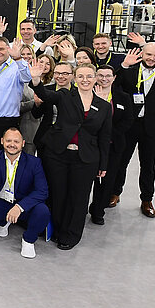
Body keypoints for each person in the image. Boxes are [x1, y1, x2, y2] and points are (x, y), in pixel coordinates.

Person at [29, 62, 112, 250]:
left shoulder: (104, 106)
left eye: (89, 76)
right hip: (58, 154)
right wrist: (36, 79)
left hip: (86, 159)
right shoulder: (65, 95)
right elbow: (45, 95)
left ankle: (71, 235)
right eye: (80, 76)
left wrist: (103, 165)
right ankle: (56, 230)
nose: (85, 80)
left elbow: (104, 137)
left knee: (79, 198)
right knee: (58, 194)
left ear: (95, 79)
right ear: (74, 78)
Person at [110, 43, 155, 218]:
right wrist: (124, 66)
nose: (151, 58)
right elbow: (113, 87)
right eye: (148, 54)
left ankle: (147, 200)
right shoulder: (129, 72)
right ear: (142, 54)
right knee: (121, 161)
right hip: (128, 125)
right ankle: (115, 193)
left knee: (148, 164)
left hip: (153, 128)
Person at [0, 129, 51, 259]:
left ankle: (28, 240)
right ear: (2, 141)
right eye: (8, 140)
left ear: (23, 143)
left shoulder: (34, 162)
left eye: (16, 141)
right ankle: (6, 220)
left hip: (22, 203)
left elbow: (42, 191)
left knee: (42, 211)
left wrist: (19, 207)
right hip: (0, 201)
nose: (12, 144)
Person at [88, 64, 134, 226]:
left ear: (114, 78)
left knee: (106, 181)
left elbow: (128, 120)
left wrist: (107, 134)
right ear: (95, 77)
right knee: (86, 179)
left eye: (108, 76)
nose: (104, 79)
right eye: (100, 75)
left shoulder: (123, 97)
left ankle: (98, 211)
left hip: (113, 146)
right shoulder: (88, 94)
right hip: (91, 144)